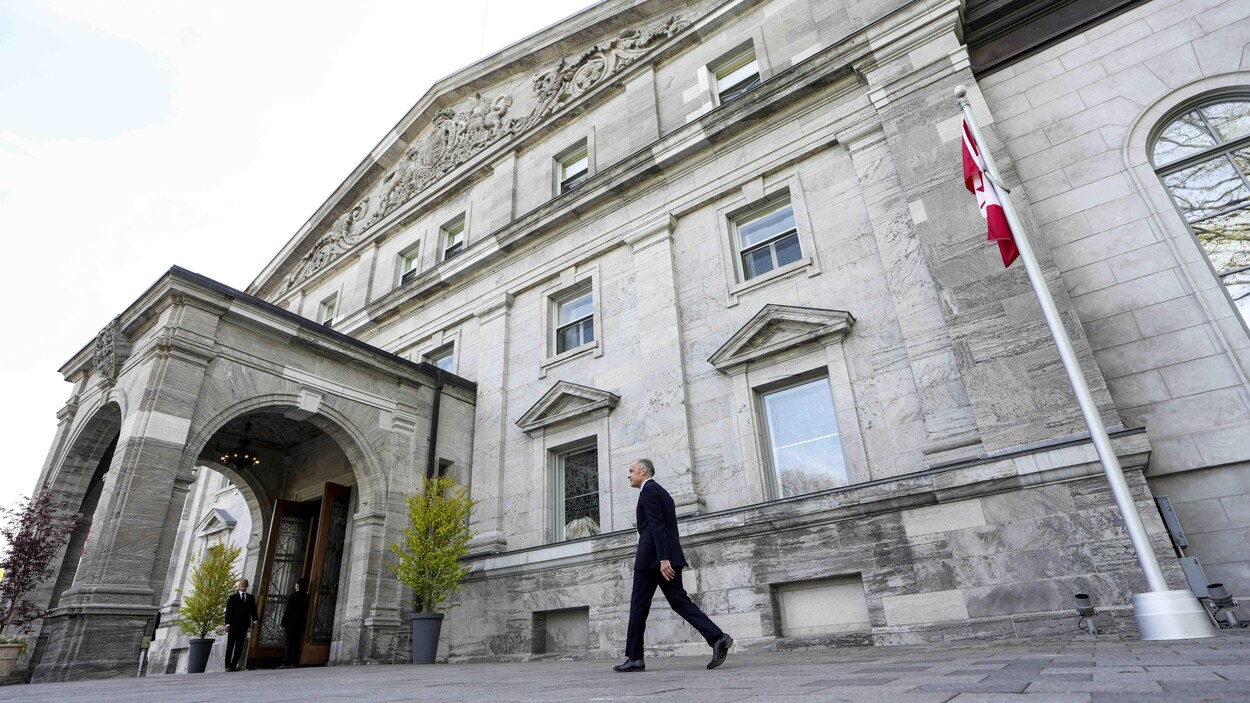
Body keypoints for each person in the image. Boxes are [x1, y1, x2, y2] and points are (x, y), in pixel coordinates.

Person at [615, 458, 732, 673]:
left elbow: (657, 525)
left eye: (631, 471)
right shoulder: (663, 493)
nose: (629, 475)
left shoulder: (649, 490)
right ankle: (717, 638)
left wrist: (663, 559)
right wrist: (667, 557)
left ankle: (635, 658)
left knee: (639, 606)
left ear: (643, 471)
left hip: (652, 560)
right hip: (666, 557)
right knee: (680, 601)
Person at [223, 578, 259, 672]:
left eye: (245, 583)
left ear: (247, 586)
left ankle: (234, 665)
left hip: (243, 626)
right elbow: (229, 612)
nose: (244, 585)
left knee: (239, 646)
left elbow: (253, 610)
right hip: (233, 626)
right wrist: (227, 624)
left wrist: (255, 621)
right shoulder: (233, 597)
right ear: (239, 585)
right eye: (242, 583)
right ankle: (227, 666)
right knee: (230, 646)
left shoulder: (251, 597)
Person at [279, 577, 309, 669]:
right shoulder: (307, 597)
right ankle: (295, 662)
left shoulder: (293, 596)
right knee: (296, 642)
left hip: (290, 622)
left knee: (288, 643)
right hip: (300, 622)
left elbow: (288, 610)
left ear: (298, 585)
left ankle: (286, 663)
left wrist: (282, 623)